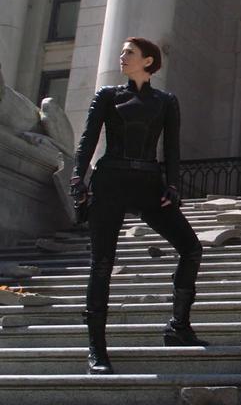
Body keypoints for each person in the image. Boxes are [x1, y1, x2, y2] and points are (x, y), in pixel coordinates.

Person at [70, 37, 207, 375]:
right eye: (122, 52)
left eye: (129, 52)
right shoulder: (107, 95)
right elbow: (89, 138)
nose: (122, 56)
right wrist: (77, 179)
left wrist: (173, 185)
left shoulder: (165, 101)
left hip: (149, 184)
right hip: (111, 181)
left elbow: (172, 148)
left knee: (191, 248)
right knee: (101, 264)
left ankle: (178, 327)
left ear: (148, 61)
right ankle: (97, 352)